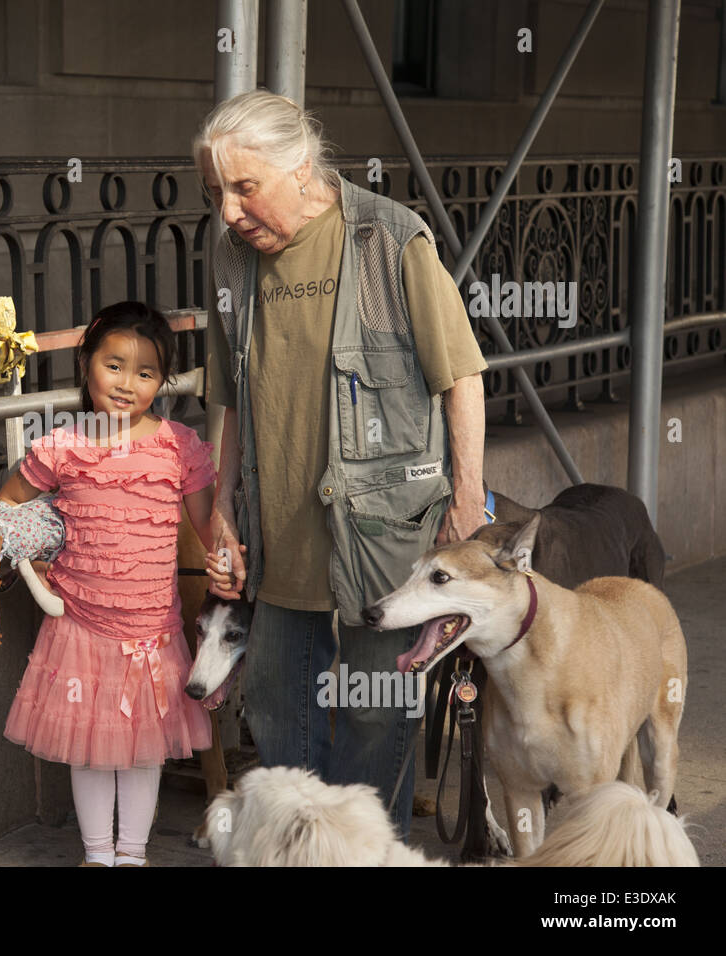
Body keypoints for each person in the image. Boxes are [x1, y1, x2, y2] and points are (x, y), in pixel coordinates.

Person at [194, 90, 488, 839]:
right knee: (275, 706)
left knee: (371, 708)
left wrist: (466, 501)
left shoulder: (388, 240)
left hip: (383, 530)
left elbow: (461, 376)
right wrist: (221, 505)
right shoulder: (230, 258)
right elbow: (227, 393)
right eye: (217, 192)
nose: (228, 211)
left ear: (299, 167)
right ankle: (295, 850)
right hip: (278, 526)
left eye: (244, 187)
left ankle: (366, 853)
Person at [0, 300, 217, 867]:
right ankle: (97, 857)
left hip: (152, 628)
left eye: (146, 373)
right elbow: (8, 504)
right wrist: (33, 554)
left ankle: (134, 856)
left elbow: (208, 526)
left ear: (162, 382)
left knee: (145, 752)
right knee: (89, 750)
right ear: (86, 363)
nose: (126, 384)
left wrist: (228, 558)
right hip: (79, 626)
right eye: (114, 365)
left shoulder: (178, 445)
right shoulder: (62, 445)